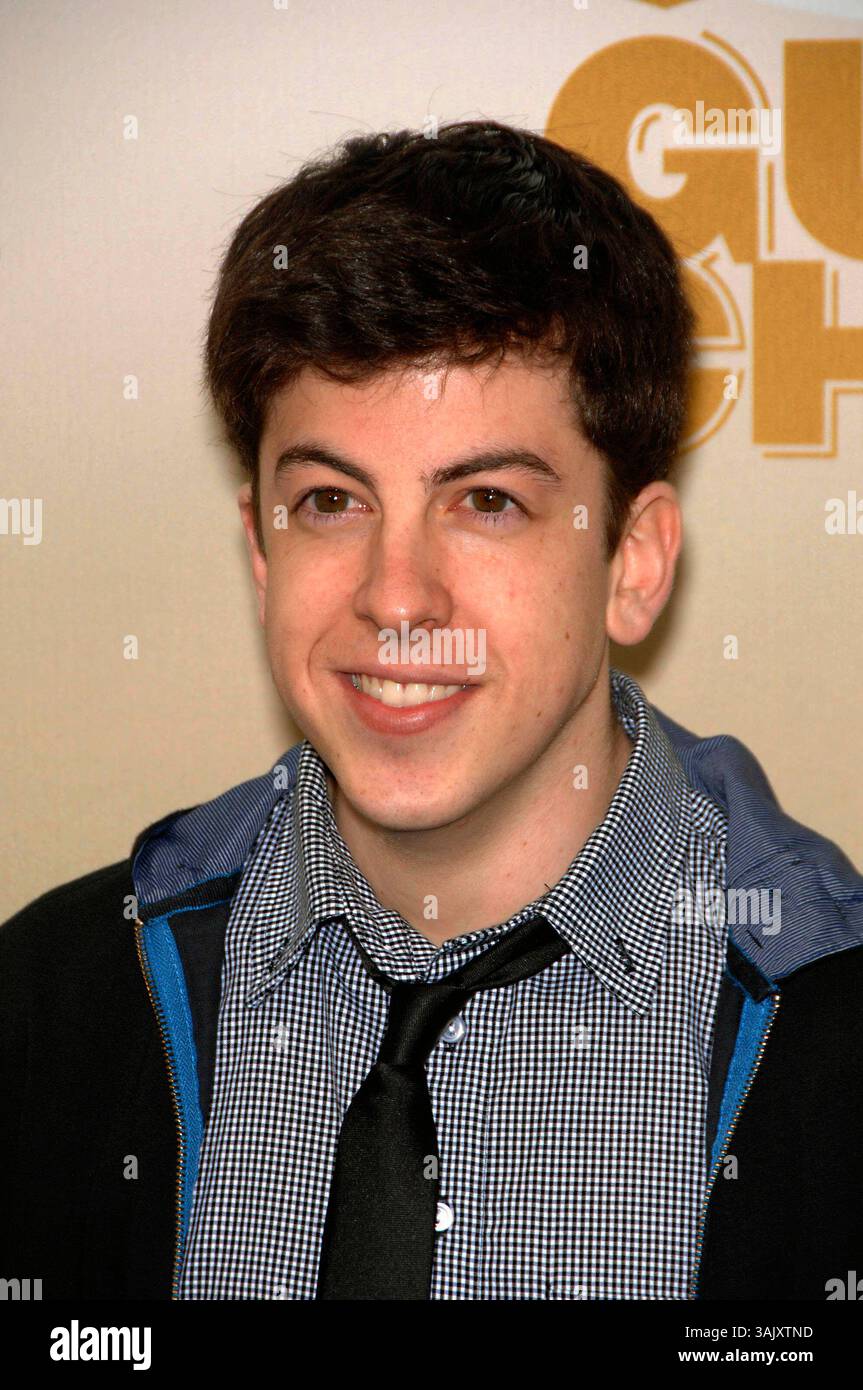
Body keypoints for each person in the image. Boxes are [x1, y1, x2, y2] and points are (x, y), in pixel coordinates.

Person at [2, 120, 861, 1302]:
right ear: (258, 548)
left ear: (633, 561)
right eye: (329, 501)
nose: (394, 597)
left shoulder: (833, 1030)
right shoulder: (47, 1008)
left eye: (488, 502)